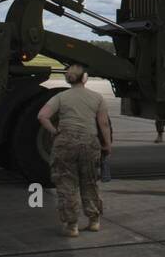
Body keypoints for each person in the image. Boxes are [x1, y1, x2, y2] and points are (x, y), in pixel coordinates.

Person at [37, 64, 111, 237]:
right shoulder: (97, 98)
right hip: (89, 143)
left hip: (65, 143)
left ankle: (72, 225)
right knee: (90, 181)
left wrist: (54, 131)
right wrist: (107, 144)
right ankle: (94, 221)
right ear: (84, 78)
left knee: (67, 184)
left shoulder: (61, 97)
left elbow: (42, 116)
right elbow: (104, 124)